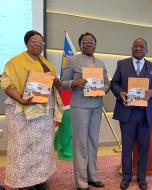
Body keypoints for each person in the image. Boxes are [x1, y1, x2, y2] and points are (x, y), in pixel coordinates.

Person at [0, 30, 63, 190]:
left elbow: (56, 85)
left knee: (41, 148)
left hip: (43, 113)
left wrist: (56, 80)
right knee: (23, 148)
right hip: (21, 111)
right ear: (26, 43)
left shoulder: (46, 63)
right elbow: (6, 83)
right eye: (33, 42)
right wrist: (20, 99)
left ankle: (39, 179)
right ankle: (23, 183)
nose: (38, 45)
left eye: (41, 42)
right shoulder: (15, 62)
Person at [110, 38, 152, 190]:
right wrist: (121, 93)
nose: (138, 48)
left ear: (146, 50)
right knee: (126, 147)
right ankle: (126, 177)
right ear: (132, 48)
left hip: (145, 114)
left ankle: (141, 177)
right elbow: (114, 84)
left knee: (144, 147)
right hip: (127, 113)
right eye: (135, 46)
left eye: (141, 46)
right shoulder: (122, 64)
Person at [61, 32, 109, 190]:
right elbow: (62, 83)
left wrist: (104, 89)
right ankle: (81, 182)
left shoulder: (100, 63)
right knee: (81, 144)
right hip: (80, 107)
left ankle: (92, 176)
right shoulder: (72, 60)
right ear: (80, 45)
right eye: (85, 42)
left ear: (96, 44)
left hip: (96, 106)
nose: (89, 45)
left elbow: (107, 83)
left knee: (93, 143)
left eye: (92, 42)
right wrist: (74, 82)